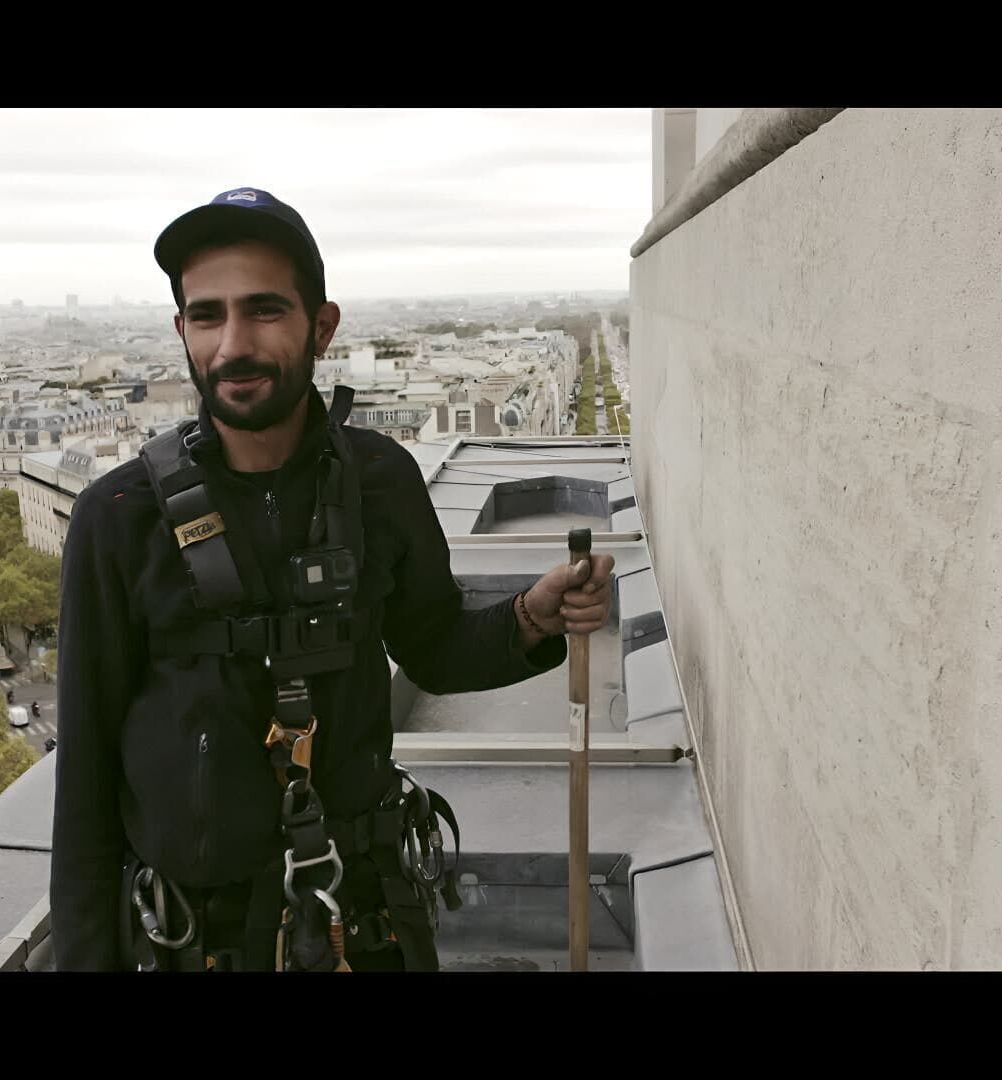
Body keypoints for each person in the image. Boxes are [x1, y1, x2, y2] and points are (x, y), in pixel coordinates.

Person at [50, 188, 613, 973]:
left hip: (359, 927)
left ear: (322, 325)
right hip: (195, 944)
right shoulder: (115, 516)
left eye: (264, 310)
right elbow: (83, 778)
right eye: (207, 316)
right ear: (181, 330)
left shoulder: (381, 480)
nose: (232, 343)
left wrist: (528, 617)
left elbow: (435, 647)